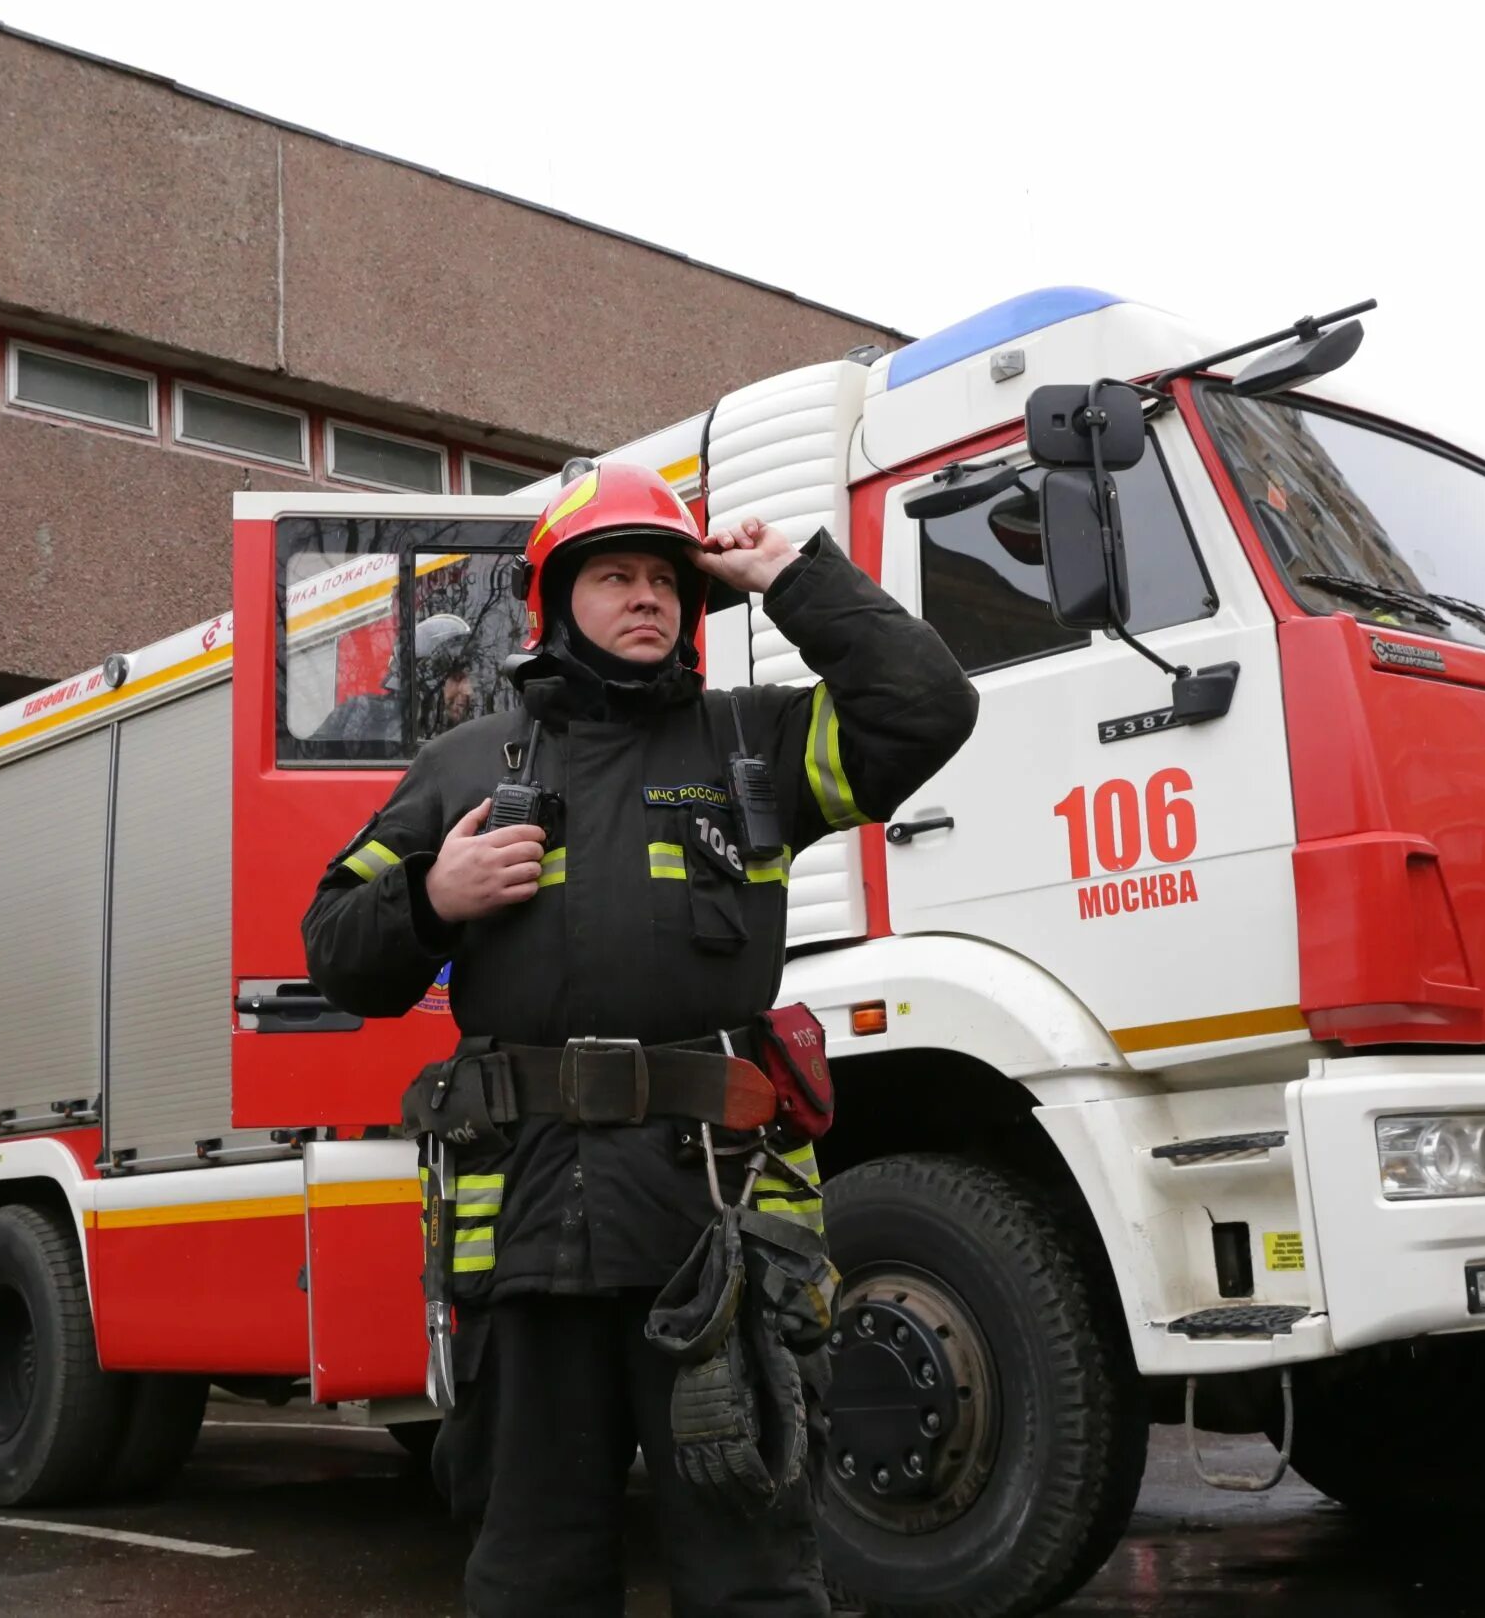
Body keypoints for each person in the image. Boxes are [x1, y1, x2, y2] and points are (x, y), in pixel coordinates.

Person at [301, 462, 978, 1617]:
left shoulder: (754, 743)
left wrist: (791, 578)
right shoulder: (464, 767)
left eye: (666, 578)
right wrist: (434, 895)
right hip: (527, 1231)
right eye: (613, 575)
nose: (647, 598)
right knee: (532, 1573)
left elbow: (928, 707)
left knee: (751, 1568)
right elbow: (334, 950)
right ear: (556, 599)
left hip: (712, 1232)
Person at [309, 611, 480, 750]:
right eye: (457, 678)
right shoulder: (359, 714)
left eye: (469, 680)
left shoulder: (471, 734)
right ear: (422, 681)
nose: (468, 690)